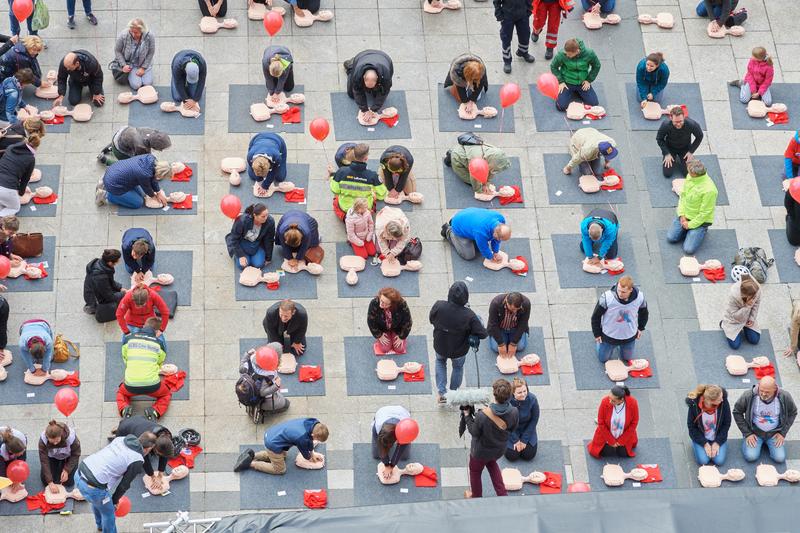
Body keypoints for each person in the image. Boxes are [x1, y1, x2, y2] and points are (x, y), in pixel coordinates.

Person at [77, 433, 155, 533]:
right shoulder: (137, 459)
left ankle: (100, 526)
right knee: (109, 513)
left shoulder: (121, 439)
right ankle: (104, 527)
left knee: (97, 503)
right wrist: (114, 500)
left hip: (80, 472)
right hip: (93, 487)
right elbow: (124, 485)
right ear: (148, 448)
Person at [429, 281, 488, 403]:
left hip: (441, 344)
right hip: (459, 349)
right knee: (458, 368)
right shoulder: (469, 315)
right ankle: (453, 393)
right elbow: (483, 334)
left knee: (440, 363)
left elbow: (431, 319)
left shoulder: (439, 305)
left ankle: (442, 393)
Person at [463, 379, 519, 498]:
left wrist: (468, 416)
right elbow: (513, 429)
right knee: (492, 464)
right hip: (499, 450)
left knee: (475, 472)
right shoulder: (514, 411)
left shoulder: (482, 415)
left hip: (480, 452)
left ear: (494, 394)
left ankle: (477, 497)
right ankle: (502, 494)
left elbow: (474, 432)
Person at [117, 317, 171, 420]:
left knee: (121, 393)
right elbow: (160, 362)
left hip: (130, 386)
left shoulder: (128, 339)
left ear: (144, 325)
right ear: (156, 331)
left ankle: (125, 409)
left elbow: (125, 358)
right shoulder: (159, 344)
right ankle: (155, 411)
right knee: (166, 394)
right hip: (153, 386)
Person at [733, 376, 797, 463]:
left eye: (767, 392)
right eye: (761, 391)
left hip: (774, 433)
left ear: (775, 389)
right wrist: (747, 433)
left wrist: (782, 433)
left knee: (780, 458)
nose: (763, 394)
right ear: (758, 386)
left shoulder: (784, 396)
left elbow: (793, 412)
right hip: (754, 432)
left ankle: (766, 444)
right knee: (751, 457)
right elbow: (737, 412)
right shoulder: (748, 395)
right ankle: (748, 440)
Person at [235, 418, 329, 475]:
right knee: (280, 470)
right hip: (273, 444)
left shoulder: (313, 422)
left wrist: (312, 452)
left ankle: (253, 455)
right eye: (318, 440)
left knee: (281, 457)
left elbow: (309, 443)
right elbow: (306, 455)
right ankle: (251, 463)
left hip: (273, 433)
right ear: (313, 435)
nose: (317, 441)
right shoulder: (302, 438)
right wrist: (311, 457)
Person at [666, 159, 718, 254]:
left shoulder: (710, 190)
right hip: (685, 216)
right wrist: (681, 215)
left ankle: (701, 230)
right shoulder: (690, 177)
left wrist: (690, 225)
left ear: (695, 174)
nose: (687, 173)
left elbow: (705, 213)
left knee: (688, 249)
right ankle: (688, 231)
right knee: (671, 238)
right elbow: (683, 196)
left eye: (689, 171)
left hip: (700, 221)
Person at [591, 276, 649, 362]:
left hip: (629, 335)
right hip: (609, 335)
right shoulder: (607, 298)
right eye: (618, 290)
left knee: (627, 359)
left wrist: (641, 328)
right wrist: (597, 334)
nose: (620, 294)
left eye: (623, 292)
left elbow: (644, 313)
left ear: (631, 290)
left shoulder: (640, 297)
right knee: (603, 359)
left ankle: (619, 347)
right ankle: (600, 344)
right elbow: (596, 316)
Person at [113, 416, 175, 491]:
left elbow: (164, 453)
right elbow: (144, 459)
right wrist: (152, 476)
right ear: (154, 446)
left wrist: (160, 475)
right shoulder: (146, 440)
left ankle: (122, 425)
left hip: (139, 421)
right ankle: (119, 428)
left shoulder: (166, 435)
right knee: (130, 457)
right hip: (125, 429)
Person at [330, 143, 387, 220]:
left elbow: (335, 190)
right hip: (364, 209)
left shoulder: (341, 172)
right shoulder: (373, 176)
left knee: (336, 200)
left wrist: (332, 175)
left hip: (345, 208)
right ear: (366, 158)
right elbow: (381, 195)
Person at [97, 154, 173, 209]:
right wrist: (154, 196)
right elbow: (147, 188)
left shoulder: (151, 158)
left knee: (140, 194)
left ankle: (105, 181)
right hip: (114, 185)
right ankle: (106, 194)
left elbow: (153, 178)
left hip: (115, 171)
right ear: (160, 173)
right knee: (137, 203)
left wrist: (158, 192)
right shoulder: (144, 174)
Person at [441, 207, 511, 262]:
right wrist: (491, 257)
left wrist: (495, 252)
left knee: (478, 246)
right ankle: (449, 231)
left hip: (468, 214)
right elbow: (483, 247)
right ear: (495, 233)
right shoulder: (481, 232)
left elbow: (496, 240)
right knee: (469, 255)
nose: (499, 241)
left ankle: (456, 220)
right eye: (499, 239)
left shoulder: (500, 220)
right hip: (458, 225)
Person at [445, 137, 510, 195]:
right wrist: (480, 190)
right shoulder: (478, 161)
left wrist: (487, 183)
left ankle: (452, 154)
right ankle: (451, 158)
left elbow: (491, 171)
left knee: (482, 174)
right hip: (458, 159)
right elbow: (475, 178)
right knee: (470, 180)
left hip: (464, 149)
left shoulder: (494, 153)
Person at [587, 385, 639, 458]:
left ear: (621, 400)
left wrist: (622, 440)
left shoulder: (632, 403)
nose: (610, 401)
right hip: (607, 433)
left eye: (613, 401)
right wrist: (611, 440)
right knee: (607, 452)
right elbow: (601, 423)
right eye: (609, 398)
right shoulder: (605, 401)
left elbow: (634, 423)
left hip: (624, 433)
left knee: (623, 454)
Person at [550, 38, 601, 111]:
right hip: (567, 82)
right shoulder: (562, 54)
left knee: (594, 103)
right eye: (566, 53)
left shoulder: (589, 53)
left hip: (582, 83)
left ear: (577, 51)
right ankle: (573, 92)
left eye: (569, 54)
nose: (567, 55)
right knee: (561, 106)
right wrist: (560, 81)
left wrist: (588, 80)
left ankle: (577, 92)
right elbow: (553, 66)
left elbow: (597, 65)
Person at [686, 384, 731, 466]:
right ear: (710, 401)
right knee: (703, 461)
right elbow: (691, 427)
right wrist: (704, 444)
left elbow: (726, 424)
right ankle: (697, 444)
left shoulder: (723, 402)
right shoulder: (694, 405)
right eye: (719, 399)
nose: (722, 400)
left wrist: (717, 442)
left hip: (718, 436)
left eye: (722, 398)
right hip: (701, 437)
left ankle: (717, 445)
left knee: (719, 461)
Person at [239, 342, 289, 415]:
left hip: (248, 391)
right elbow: (262, 393)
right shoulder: (269, 376)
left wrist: (247, 354)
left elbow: (241, 369)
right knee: (286, 404)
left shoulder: (250, 361)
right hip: (263, 400)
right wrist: (276, 386)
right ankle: (264, 410)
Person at [0, 125, 38, 216]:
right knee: (14, 207)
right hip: (7, 187)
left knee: (3, 203)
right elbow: (25, 179)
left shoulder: (10, 148)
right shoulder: (30, 159)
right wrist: (21, 192)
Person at [344, 49, 393, 120]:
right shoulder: (358, 75)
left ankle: (374, 88)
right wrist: (365, 109)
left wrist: (373, 110)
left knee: (377, 94)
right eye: (367, 86)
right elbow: (357, 92)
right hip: (362, 57)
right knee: (351, 94)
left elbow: (384, 92)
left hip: (384, 58)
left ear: (377, 78)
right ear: (363, 77)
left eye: (372, 85)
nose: (369, 88)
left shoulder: (386, 75)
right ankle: (351, 66)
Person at [656, 106, 704, 178]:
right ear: (671, 118)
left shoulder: (692, 124)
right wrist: (666, 153)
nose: (678, 124)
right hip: (670, 148)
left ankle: (681, 159)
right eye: (676, 122)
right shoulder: (665, 125)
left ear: (684, 117)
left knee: (688, 174)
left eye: (680, 121)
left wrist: (691, 151)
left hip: (685, 149)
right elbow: (659, 139)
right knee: (667, 174)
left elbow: (700, 136)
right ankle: (673, 157)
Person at [226, 203, 275, 270]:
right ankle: (237, 255)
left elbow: (269, 240)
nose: (266, 218)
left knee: (259, 264)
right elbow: (234, 239)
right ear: (255, 215)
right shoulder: (242, 221)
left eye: (267, 215)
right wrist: (240, 255)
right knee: (242, 266)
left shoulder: (270, 221)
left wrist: (268, 258)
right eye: (263, 216)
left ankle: (252, 257)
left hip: (257, 243)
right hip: (242, 242)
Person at [83, 249, 126, 322]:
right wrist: (123, 294)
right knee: (119, 305)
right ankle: (93, 308)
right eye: (117, 260)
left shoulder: (101, 264)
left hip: (94, 291)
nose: (119, 261)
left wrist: (120, 288)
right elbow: (109, 296)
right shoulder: (100, 277)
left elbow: (110, 281)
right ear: (110, 262)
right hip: (94, 299)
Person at [112, 19, 155, 90]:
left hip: (144, 62)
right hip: (131, 64)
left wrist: (143, 68)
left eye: (136, 32)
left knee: (148, 84)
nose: (133, 34)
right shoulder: (124, 35)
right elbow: (117, 51)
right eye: (131, 31)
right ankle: (132, 76)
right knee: (136, 85)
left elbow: (151, 52)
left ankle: (143, 72)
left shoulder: (150, 36)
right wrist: (124, 65)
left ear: (142, 31)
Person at [39, 420, 81, 491]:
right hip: (52, 456)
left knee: (69, 482)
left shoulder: (71, 438)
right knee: (45, 481)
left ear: (61, 435)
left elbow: (76, 454)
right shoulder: (43, 440)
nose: (55, 443)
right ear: (47, 437)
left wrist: (67, 470)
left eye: (57, 440)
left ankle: (63, 468)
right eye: (52, 441)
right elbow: (44, 460)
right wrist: (50, 482)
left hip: (68, 456)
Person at [721, 273, 761, 349]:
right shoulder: (734, 296)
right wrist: (747, 307)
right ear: (745, 296)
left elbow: (756, 304)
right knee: (735, 346)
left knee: (755, 340)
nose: (753, 300)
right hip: (733, 320)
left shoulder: (756, 289)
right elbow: (735, 316)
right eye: (751, 298)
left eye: (754, 297)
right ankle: (723, 324)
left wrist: (752, 318)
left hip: (747, 317)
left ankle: (745, 327)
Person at [493, 0, 535, 72]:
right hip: (507, 15)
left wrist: (529, 9)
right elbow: (496, 1)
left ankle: (523, 52)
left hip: (522, 14)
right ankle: (507, 60)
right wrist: (499, 14)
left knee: (525, 34)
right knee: (506, 38)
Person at [97, 126, 171, 166]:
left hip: (122, 132)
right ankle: (105, 160)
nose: (161, 150)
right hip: (120, 148)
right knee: (128, 166)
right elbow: (143, 161)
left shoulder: (152, 131)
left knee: (123, 142)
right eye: (160, 148)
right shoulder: (141, 147)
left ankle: (110, 148)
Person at [368, 288, 412, 355]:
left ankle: (393, 334)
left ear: (392, 304)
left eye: (385, 303)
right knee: (384, 349)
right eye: (381, 300)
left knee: (400, 349)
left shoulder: (401, 305)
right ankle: (388, 335)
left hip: (397, 328)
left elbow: (408, 321)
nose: (381, 304)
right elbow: (371, 321)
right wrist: (379, 335)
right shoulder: (374, 303)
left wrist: (402, 337)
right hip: (382, 329)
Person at [373, 405, 412, 480]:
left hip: (402, 415)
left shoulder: (405, 428)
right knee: (376, 455)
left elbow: (401, 447)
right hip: (382, 412)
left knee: (404, 456)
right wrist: (386, 464)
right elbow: (380, 447)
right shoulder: (377, 427)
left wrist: (392, 465)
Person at [505, 378, 539, 461]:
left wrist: (524, 440)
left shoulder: (532, 399)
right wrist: (515, 440)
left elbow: (534, 419)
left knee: (528, 455)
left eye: (525, 391)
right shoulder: (506, 401)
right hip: (511, 429)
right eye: (519, 392)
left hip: (526, 428)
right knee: (512, 456)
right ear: (513, 393)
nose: (523, 394)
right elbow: (505, 423)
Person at [487, 292, 530, 356]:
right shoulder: (495, 303)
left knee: (520, 347)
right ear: (507, 301)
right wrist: (500, 344)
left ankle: (510, 340)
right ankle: (504, 339)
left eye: (517, 309)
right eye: (512, 309)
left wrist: (513, 343)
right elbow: (493, 324)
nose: (515, 311)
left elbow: (523, 323)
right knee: (496, 348)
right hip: (500, 328)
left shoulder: (526, 303)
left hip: (515, 328)